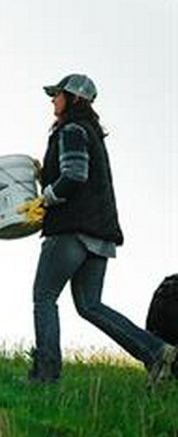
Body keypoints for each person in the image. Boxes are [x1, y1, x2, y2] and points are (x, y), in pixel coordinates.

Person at [19, 73, 176, 385]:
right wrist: (44, 176)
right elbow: (80, 176)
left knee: (44, 296)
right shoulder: (90, 133)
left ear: (74, 99)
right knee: (90, 305)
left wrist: (44, 199)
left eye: (58, 94)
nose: (53, 100)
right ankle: (157, 352)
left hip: (71, 231)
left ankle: (46, 374)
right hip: (99, 233)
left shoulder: (72, 129)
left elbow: (75, 175)